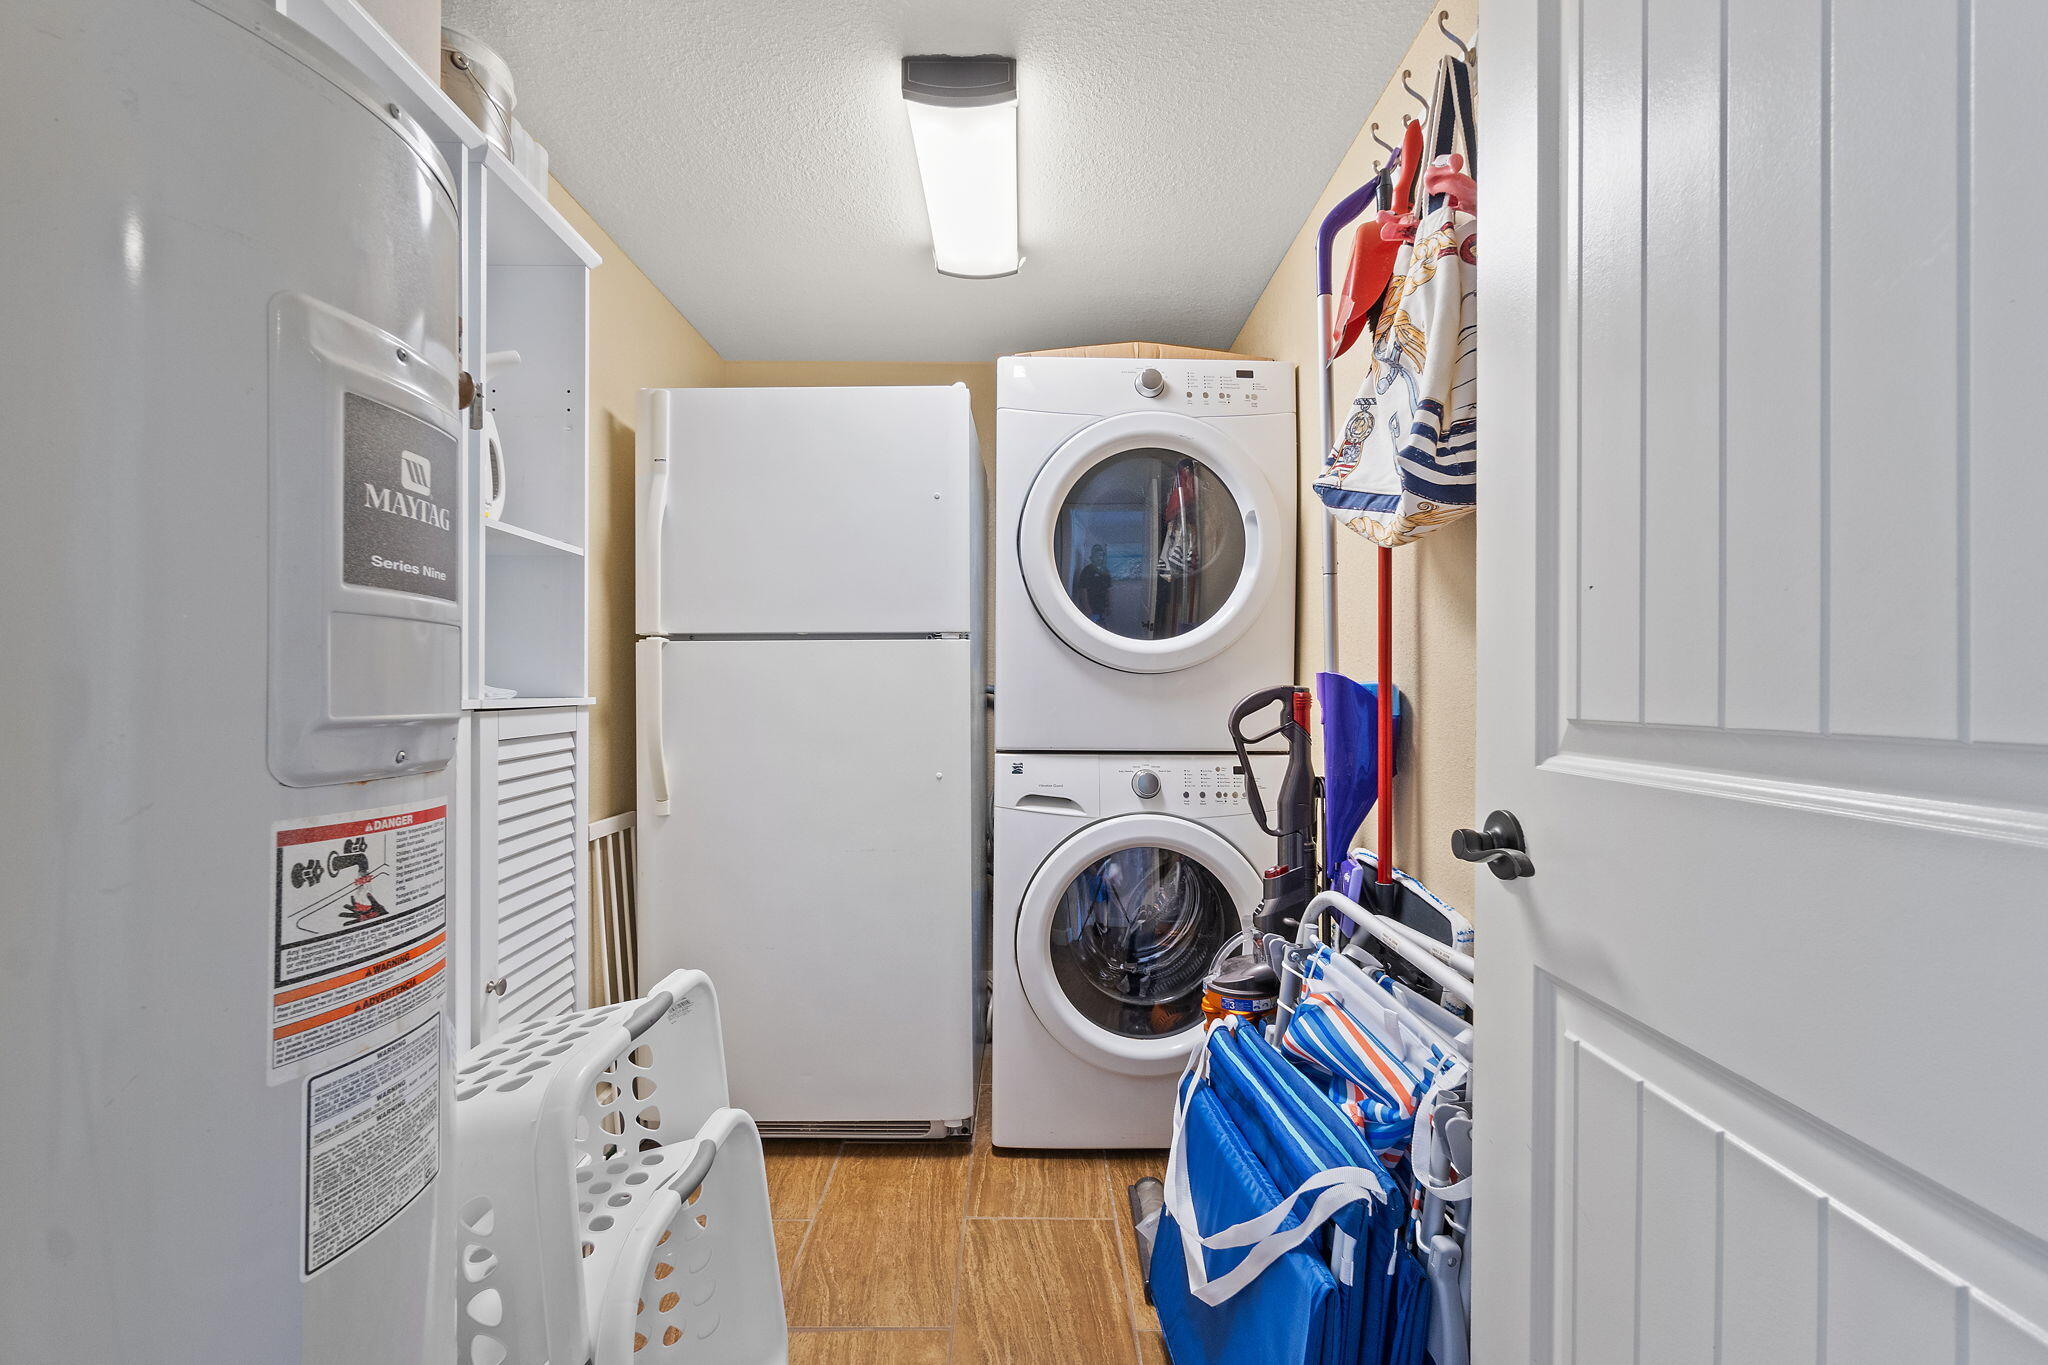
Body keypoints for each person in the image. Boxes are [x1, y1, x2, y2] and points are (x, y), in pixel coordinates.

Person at [1073, 543, 1112, 624]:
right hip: (1090, 610)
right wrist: (1087, 608)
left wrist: (1108, 606)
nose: (1099, 558)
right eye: (1097, 555)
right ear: (1092, 557)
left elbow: (1108, 590)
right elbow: (1083, 590)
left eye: (1101, 555)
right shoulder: (1087, 571)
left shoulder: (1106, 572)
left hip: (1102, 609)